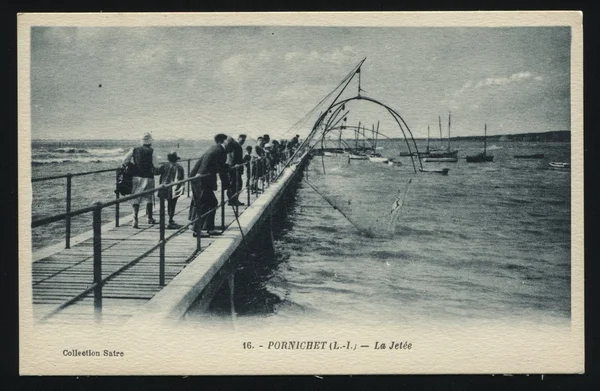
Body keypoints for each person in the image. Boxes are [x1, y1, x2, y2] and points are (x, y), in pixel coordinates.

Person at [189, 134, 230, 237]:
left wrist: (226, 167)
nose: (229, 143)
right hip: (201, 179)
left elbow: (217, 165)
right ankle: (197, 230)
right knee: (205, 203)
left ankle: (209, 228)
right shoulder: (219, 150)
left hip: (199, 178)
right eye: (228, 140)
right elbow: (220, 169)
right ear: (223, 141)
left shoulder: (215, 148)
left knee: (211, 203)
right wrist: (227, 184)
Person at [122, 132, 158, 228]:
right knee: (149, 198)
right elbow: (156, 165)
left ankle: (135, 219)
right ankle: (149, 218)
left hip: (136, 177)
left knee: (136, 198)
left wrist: (130, 166)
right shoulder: (152, 151)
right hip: (149, 177)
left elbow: (124, 160)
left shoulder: (134, 149)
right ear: (150, 142)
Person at [157, 151, 185, 229]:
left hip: (164, 186)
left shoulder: (164, 165)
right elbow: (182, 179)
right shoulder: (180, 167)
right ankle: (170, 219)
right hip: (174, 188)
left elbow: (157, 172)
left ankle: (163, 221)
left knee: (162, 205)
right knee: (172, 205)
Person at [226, 134, 246, 206]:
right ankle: (232, 200)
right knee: (235, 184)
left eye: (244, 140)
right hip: (234, 168)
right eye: (242, 140)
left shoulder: (237, 145)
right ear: (238, 138)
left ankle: (233, 200)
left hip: (236, 168)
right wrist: (234, 166)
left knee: (237, 185)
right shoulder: (235, 145)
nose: (243, 141)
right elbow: (232, 156)